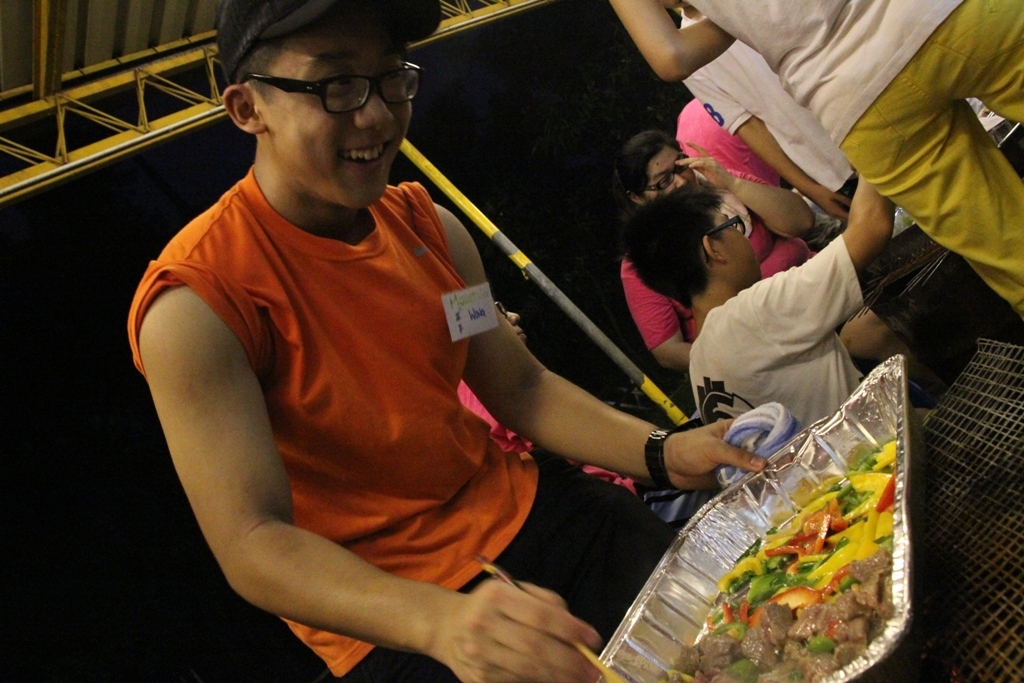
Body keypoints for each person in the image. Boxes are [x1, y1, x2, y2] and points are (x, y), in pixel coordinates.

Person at [125, 2, 766, 681]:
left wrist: (665, 452)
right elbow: (253, 540)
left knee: (743, 628)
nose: (376, 115)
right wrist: (441, 623)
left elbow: (521, 388)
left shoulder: (430, 230)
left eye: (389, 77)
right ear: (247, 107)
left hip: (531, 511)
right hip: (392, 617)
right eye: (336, 85)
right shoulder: (197, 303)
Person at [608, 0, 1024, 319]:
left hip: (852, 96)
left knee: (1008, 251)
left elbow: (672, 56)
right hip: (937, 14)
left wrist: (750, 15)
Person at [621, 178, 896, 427]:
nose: (743, 236)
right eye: (732, 224)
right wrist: (869, 156)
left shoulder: (700, 360)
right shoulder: (755, 312)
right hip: (868, 450)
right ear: (713, 249)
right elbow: (871, 228)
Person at [613, 129, 814, 371]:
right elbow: (668, 351)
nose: (681, 182)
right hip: (758, 349)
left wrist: (732, 183)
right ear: (636, 197)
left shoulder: (721, 186)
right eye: (663, 181)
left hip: (810, 291)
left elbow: (803, 221)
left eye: (680, 166)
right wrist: (745, 359)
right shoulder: (646, 257)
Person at [670, 3, 855, 222]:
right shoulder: (685, 56)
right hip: (830, 166)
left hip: (860, 103)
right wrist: (810, 188)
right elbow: (749, 126)